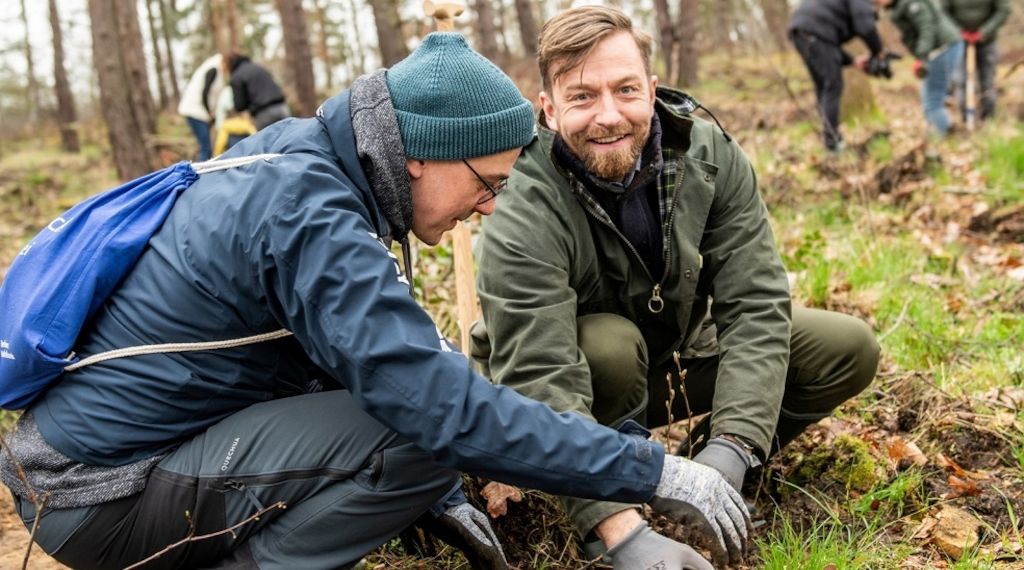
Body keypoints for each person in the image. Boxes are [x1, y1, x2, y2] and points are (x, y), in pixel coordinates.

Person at [0, 33, 752, 570]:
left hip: (112, 464)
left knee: (421, 426)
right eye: (487, 183)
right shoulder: (308, 214)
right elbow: (438, 408)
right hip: (99, 493)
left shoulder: (303, 158)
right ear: (420, 155)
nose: (491, 207)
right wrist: (652, 472)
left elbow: (345, 357)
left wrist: (437, 500)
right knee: (420, 435)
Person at [471, 6, 881, 568]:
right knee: (610, 347)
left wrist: (730, 450)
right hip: (576, 386)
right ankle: (608, 495)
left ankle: (703, 484)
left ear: (652, 88)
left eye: (626, 90)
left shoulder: (709, 155)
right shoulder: (521, 196)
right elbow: (539, 373)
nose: (608, 116)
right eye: (582, 96)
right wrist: (618, 531)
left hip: (675, 353)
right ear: (548, 108)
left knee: (844, 347)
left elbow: (755, 304)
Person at [788, 0, 891, 152]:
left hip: (801, 32)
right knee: (833, 86)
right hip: (815, 33)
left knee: (823, 86)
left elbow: (831, 46)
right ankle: (833, 143)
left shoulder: (831, 12)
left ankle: (830, 138)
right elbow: (865, 27)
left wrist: (853, 61)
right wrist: (878, 51)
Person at [877, 0, 964, 135]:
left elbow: (927, 28)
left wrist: (922, 57)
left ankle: (946, 137)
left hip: (942, 49)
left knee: (933, 100)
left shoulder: (911, 4)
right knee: (927, 100)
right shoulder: (897, 8)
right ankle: (934, 136)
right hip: (936, 50)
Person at [942, 0, 1011, 121]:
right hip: (958, 41)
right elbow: (943, 12)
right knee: (961, 80)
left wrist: (984, 32)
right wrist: (958, 32)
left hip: (987, 41)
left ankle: (989, 120)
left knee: (987, 81)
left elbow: (1003, 10)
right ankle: (966, 119)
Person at [227, 53, 291, 130]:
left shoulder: (236, 76)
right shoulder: (257, 67)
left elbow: (239, 105)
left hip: (263, 113)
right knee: (290, 135)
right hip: (281, 107)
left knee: (268, 138)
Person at [178, 54, 224, 161]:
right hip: (196, 112)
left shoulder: (210, 67)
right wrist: (209, 112)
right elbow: (205, 92)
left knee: (206, 146)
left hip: (197, 112)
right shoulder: (213, 69)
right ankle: (202, 170)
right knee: (206, 147)